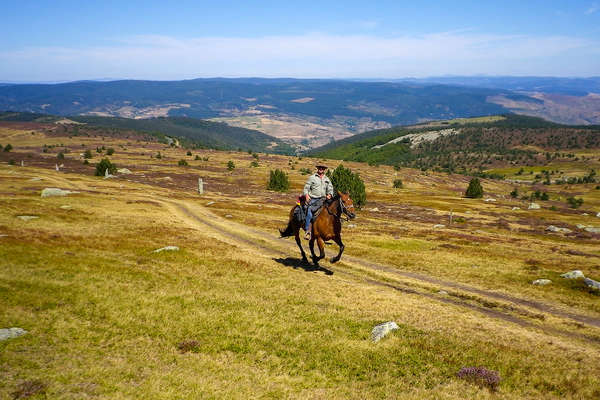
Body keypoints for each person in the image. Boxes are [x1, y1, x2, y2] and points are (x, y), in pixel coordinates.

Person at [303, 164, 333, 240]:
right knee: (309, 210)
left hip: (323, 199)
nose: (321, 169)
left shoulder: (327, 179)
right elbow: (306, 188)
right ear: (317, 169)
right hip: (313, 198)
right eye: (320, 168)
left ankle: (329, 231)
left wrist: (330, 194)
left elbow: (330, 188)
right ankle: (308, 231)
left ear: (324, 170)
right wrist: (306, 195)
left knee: (331, 212)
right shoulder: (312, 178)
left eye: (322, 168)